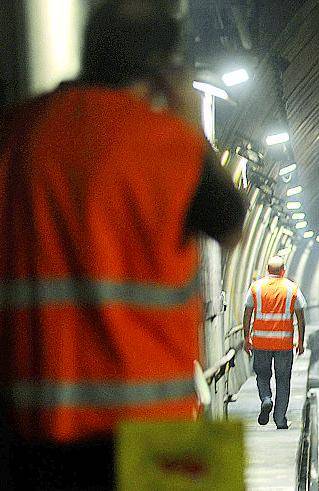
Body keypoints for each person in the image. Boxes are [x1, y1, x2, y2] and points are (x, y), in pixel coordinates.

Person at [0, 1, 246, 489]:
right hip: (160, 434)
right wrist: (189, 122)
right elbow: (231, 224)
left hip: (34, 438)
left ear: (88, 50)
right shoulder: (171, 146)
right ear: (164, 65)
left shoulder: (16, 134)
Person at [242, 257, 307, 430]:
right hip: (284, 345)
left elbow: (247, 313)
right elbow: (300, 316)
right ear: (283, 270)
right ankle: (280, 419)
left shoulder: (256, 287)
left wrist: (246, 337)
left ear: (267, 270)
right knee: (283, 380)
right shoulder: (292, 289)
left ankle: (266, 399)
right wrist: (300, 341)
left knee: (262, 376)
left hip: (261, 343)